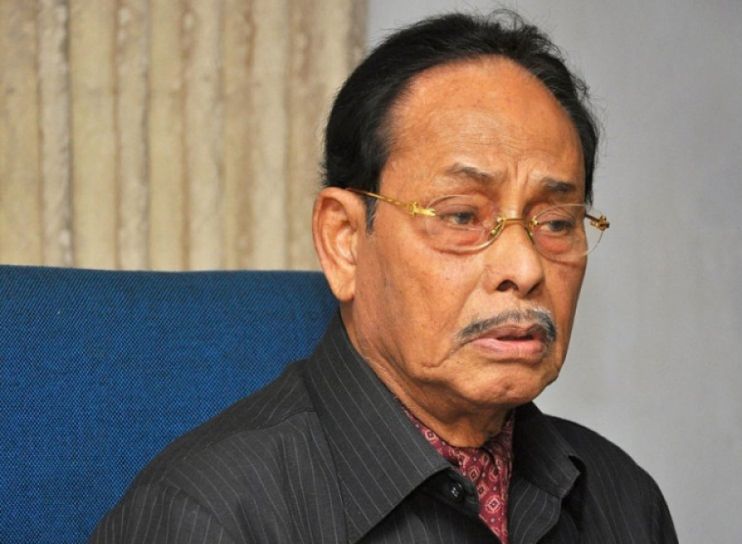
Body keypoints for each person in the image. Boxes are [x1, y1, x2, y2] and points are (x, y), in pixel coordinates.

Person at [91, 11, 677, 543]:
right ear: (345, 241)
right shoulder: (207, 517)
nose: (524, 269)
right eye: (462, 216)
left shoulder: (621, 499)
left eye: (555, 222)